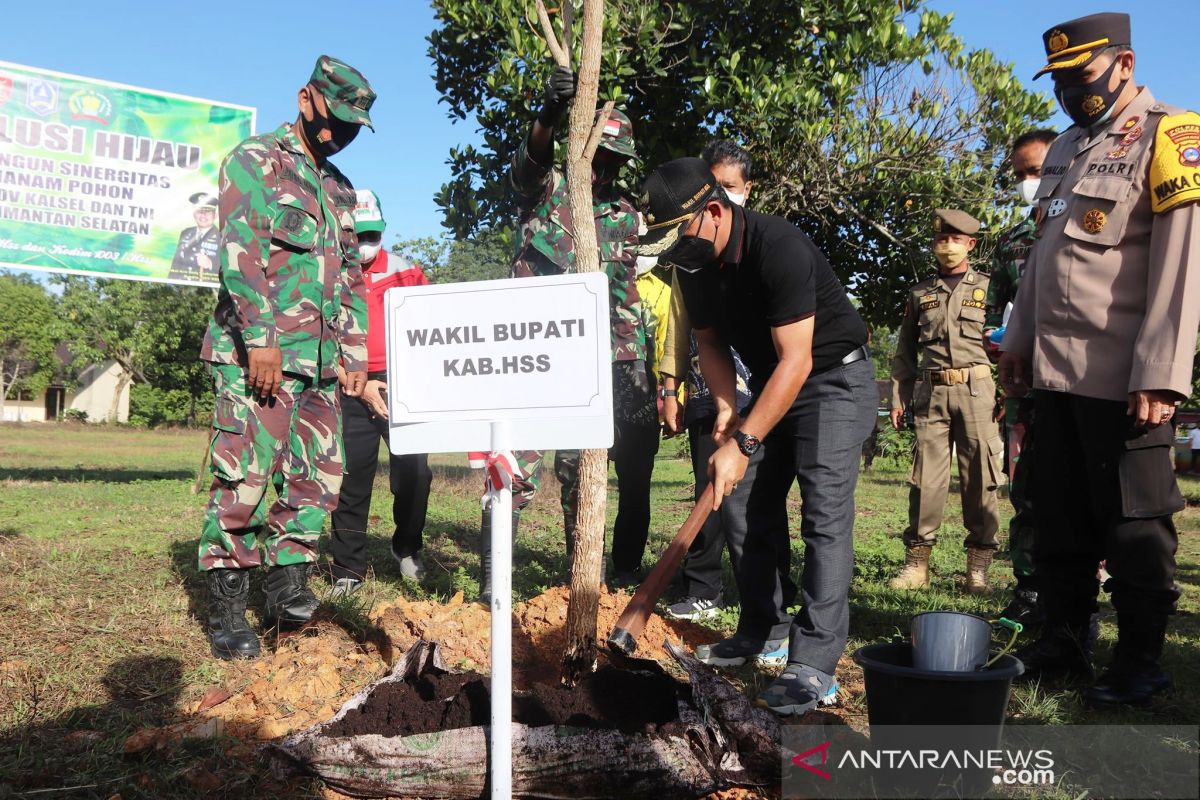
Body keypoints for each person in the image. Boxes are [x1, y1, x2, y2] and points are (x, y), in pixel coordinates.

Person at [999, 12, 1200, 706]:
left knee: (1135, 522)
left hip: (1124, 377)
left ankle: (1140, 662)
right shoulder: (1062, 149)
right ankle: (1064, 639)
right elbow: (1043, 264)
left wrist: (1162, 371)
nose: (1067, 90)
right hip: (1055, 373)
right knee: (1059, 517)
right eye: (1057, 78)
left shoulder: (1172, 133)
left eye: (1079, 74)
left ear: (1124, 64)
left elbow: (1180, 265)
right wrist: (1018, 340)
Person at [641, 157, 877, 715]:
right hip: (774, 381)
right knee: (745, 502)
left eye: (679, 238)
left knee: (822, 511)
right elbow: (710, 342)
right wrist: (726, 407)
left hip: (831, 379)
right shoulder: (693, 268)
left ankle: (813, 662)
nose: (675, 255)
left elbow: (797, 361)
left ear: (716, 211)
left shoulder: (780, 246)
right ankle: (763, 629)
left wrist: (745, 442)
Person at [197, 55, 375, 660]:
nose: (342, 134)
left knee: (317, 480)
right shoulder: (256, 161)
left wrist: (355, 355)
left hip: (323, 364)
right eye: (337, 119)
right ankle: (227, 605)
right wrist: (261, 338)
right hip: (260, 356)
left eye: (355, 125)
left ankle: (286, 591)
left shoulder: (340, 189)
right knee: (245, 476)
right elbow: (239, 254)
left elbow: (351, 278)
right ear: (307, 99)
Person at [482, 64, 656, 601]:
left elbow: (625, 294)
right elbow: (528, 164)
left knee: (583, 475)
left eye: (615, 161)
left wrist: (635, 363)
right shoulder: (549, 190)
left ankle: (578, 581)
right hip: (529, 356)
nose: (604, 168)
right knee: (514, 466)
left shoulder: (626, 215)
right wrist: (546, 116)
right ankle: (494, 579)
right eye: (598, 155)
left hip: (593, 364)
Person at [661, 141, 774, 623]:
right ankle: (704, 585)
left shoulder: (763, 246)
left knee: (757, 498)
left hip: (763, 391)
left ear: (746, 190)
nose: (723, 195)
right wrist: (672, 386)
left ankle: (771, 594)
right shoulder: (692, 258)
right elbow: (680, 324)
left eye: (731, 187)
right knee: (708, 484)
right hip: (712, 395)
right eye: (715, 186)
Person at [889, 209, 1003, 594]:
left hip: (978, 391)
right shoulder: (921, 293)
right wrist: (898, 395)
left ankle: (978, 570)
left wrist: (1006, 392)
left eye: (955, 240)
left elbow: (1010, 342)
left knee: (982, 479)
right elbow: (904, 349)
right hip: (931, 392)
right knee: (926, 481)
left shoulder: (990, 288)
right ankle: (917, 565)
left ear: (971, 244)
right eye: (941, 240)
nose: (947, 246)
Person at [327, 190, 433, 596]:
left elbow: (434, 328)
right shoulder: (331, 270)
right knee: (352, 477)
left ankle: (407, 547)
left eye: (371, 234)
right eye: (356, 235)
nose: (363, 244)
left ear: (383, 230)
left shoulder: (407, 272)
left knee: (415, 474)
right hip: (349, 380)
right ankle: (348, 569)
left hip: (403, 382)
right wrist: (354, 380)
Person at [984, 128, 1058, 627]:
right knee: (1027, 488)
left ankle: (1086, 593)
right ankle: (1030, 590)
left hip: (1082, 382)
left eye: (1039, 170)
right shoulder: (1011, 243)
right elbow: (991, 316)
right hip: (1025, 388)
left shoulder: (1094, 228)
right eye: (1022, 174)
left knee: (1084, 491)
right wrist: (1003, 341)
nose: (1030, 182)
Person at [168, 192, 219, 283]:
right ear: (194, 214)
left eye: (207, 211)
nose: (203, 215)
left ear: (215, 215)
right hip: (182, 288)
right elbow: (176, 265)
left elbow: (233, 269)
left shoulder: (224, 237)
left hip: (207, 292)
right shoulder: (185, 233)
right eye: (199, 211)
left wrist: (210, 264)